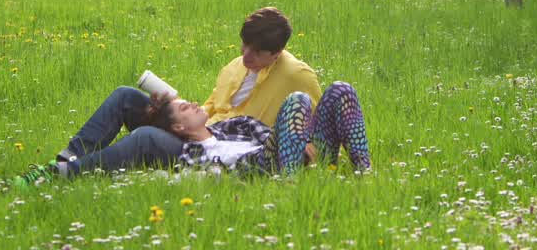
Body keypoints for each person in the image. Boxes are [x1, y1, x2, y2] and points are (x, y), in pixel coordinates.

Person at [16, 7, 320, 186]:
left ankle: (60, 175)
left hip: (226, 150)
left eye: (255, 52)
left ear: (277, 52)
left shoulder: (297, 77)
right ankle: (68, 158)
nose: (245, 55)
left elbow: (308, 134)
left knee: (146, 137)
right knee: (125, 96)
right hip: (198, 130)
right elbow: (211, 107)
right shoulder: (234, 66)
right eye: (244, 45)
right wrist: (173, 111)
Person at [142, 81, 371, 175]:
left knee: (342, 90)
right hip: (264, 164)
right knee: (297, 99)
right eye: (185, 108)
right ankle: (289, 185)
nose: (193, 104)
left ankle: (364, 171)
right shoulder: (191, 154)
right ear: (179, 126)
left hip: (294, 153)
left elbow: (273, 136)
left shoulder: (236, 124)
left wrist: (302, 143)